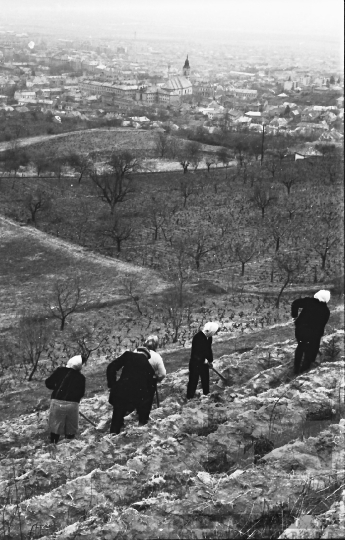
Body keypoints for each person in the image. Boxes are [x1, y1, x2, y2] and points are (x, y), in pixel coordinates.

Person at [106, 346, 155, 435]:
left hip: (120, 393)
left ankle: (112, 437)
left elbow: (111, 367)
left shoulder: (128, 355)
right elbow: (150, 393)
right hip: (135, 398)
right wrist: (144, 416)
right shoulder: (149, 368)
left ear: (136, 351)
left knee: (116, 419)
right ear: (147, 356)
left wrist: (112, 385)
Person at [45, 354, 87, 444]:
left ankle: (53, 445)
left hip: (57, 403)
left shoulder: (60, 371)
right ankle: (69, 449)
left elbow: (48, 383)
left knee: (55, 428)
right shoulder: (81, 378)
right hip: (72, 405)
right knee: (71, 430)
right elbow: (81, 393)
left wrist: (57, 388)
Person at [291, 290, 331, 375]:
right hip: (314, 334)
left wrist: (295, 316)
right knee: (311, 351)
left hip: (301, 330)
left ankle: (296, 370)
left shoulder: (309, 302)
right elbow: (322, 325)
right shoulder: (326, 311)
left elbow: (295, 303)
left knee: (300, 346)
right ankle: (304, 371)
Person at [187, 321, 219, 399]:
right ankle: (189, 397)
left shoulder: (209, 337)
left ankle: (206, 395)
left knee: (205, 379)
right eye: (213, 332)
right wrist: (203, 360)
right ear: (209, 330)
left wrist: (210, 360)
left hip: (204, 363)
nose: (214, 334)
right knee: (193, 380)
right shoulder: (197, 337)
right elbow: (196, 353)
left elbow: (208, 349)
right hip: (195, 363)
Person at [142, 335, 166, 415]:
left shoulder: (135, 352)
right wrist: (157, 378)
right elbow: (162, 374)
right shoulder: (156, 357)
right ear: (155, 345)